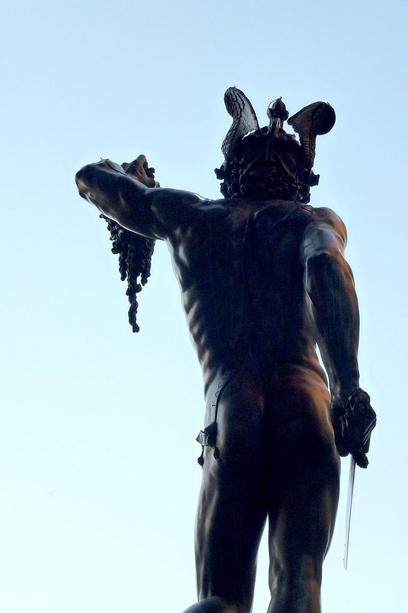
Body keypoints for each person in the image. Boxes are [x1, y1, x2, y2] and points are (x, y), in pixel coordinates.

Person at [75, 88, 376, 613]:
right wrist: (348, 387)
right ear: (301, 180)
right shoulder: (311, 221)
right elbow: (328, 270)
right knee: (298, 580)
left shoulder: (191, 217)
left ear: (229, 171)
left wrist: (132, 177)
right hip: (308, 405)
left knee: (218, 598)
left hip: (232, 407)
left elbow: (91, 180)